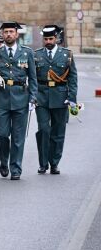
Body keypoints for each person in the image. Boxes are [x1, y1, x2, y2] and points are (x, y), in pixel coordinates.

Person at [0, 21, 37, 180]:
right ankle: (4, 161)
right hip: (1, 99)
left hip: (21, 98)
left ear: (16, 34)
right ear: (2, 34)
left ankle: (15, 168)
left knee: (18, 137)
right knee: (2, 135)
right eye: (6, 32)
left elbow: (33, 78)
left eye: (11, 31)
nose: (8, 34)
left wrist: (33, 98)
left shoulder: (27, 52)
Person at [34, 25, 77, 175]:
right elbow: (32, 78)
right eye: (45, 39)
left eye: (51, 38)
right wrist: (32, 97)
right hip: (42, 97)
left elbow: (72, 78)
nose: (48, 41)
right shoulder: (36, 55)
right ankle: (43, 163)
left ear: (56, 39)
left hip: (60, 97)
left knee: (58, 132)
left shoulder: (67, 55)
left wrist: (72, 98)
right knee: (44, 130)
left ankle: (54, 163)